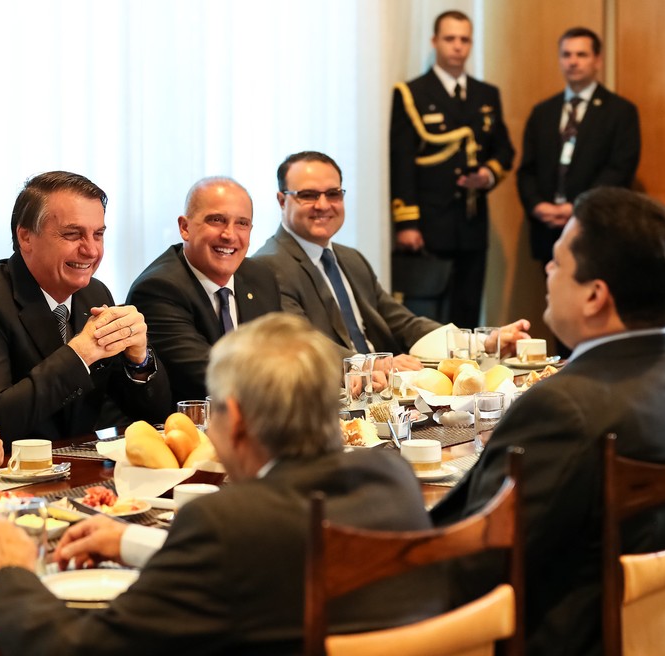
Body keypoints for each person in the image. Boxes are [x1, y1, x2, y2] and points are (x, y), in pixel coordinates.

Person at [0, 313, 444, 655]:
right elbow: (266, 557)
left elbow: (78, 649)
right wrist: (135, 541)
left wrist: (7, 575)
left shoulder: (226, 522)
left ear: (237, 421)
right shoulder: (391, 478)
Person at [431, 187, 665, 655]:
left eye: (557, 262)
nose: (548, 272)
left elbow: (477, 560)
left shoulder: (563, 408)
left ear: (596, 295)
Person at [0, 171, 171, 443]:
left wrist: (139, 359)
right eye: (73, 235)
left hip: (75, 467)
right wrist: (80, 354)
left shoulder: (94, 293)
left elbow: (155, 416)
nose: (92, 251)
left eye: (98, 234)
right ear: (26, 237)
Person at [254, 151, 530, 371]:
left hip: (391, 393)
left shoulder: (350, 259)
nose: (323, 205)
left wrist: (483, 342)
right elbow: (301, 346)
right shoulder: (268, 266)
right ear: (282, 200)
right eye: (308, 195)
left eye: (333, 194)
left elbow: (404, 323)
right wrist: (374, 364)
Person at [389, 9, 515, 327]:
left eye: (465, 39)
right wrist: (407, 223)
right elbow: (402, 161)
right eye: (450, 38)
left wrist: (487, 174)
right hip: (429, 225)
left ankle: (468, 376)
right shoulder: (412, 93)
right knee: (427, 317)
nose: (457, 46)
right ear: (434, 42)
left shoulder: (486, 94)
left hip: (472, 223)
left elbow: (504, 150)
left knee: (468, 313)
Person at [126, 176, 282, 401]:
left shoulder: (260, 276)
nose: (229, 235)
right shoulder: (158, 289)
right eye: (217, 220)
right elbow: (211, 377)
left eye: (242, 223)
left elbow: (285, 350)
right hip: (190, 427)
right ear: (185, 227)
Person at [517, 26, 640, 267]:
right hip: (548, 229)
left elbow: (620, 169)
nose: (573, 62)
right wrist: (537, 205)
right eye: (566, 55)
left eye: (581, 55)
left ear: (597, 60)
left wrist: (577, 207)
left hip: (595, 227)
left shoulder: (620, 112)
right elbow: (527, 170)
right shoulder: (542, 112)